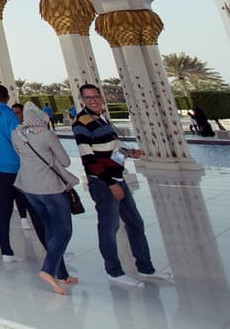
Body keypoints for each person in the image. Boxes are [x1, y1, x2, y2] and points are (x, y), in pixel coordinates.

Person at [73, 83, 172, 287]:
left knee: (135, 223)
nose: (94, 100)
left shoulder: (101, 118)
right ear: (81, 99)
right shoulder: (81, 122)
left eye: (96, 97)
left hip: (118, 178)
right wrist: (109, 183)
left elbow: (109, 149)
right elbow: (88, 158)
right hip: (103, 182)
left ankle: (146, 268)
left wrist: (127, 153)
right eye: (88, 97)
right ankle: (114, 271)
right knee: (109, 227)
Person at [13, 102, 79, 296]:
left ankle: (62, 274)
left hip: (28, 188)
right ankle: (48, 269)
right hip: (50, 188)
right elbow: (65, 161)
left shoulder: (16, 134)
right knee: (64, 230)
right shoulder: (46, 134)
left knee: (50, 229)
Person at [0, 84, 43, 261]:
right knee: (32, 207)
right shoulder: (8, 114)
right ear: (6, 97)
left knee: (4, 208)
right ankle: (50, 247)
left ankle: (6, 251)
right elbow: (19, 140)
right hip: (17, 166)